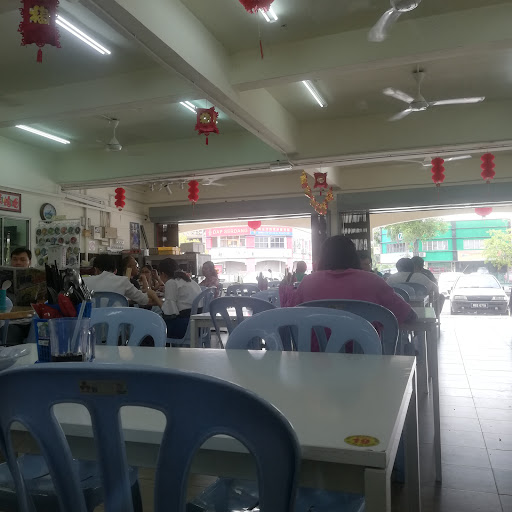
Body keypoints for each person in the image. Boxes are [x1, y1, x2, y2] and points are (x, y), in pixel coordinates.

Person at [280, 236, 417, 326]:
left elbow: (289, 317)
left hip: (315, 357)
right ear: (354, 256)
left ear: (323, 258)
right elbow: (409, 316)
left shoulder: (308, 283)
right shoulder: (373, 281)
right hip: (368, 356)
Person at [152, 258, 202, 340]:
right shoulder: (189, 280)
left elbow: (170, 313)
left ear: (163, 274)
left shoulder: (171, 282)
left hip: (185, 327)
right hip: (198, 326)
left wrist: (154, 296)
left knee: (151, 327)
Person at [83, 254, 156, 306]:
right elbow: (144, 300)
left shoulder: (84, 282)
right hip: (118, 322)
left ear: (96, 270)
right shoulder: (123, 281)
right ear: (115, 270)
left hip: (91, 322)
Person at [5, 248, 32, 345]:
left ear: (29, 262)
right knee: (10, 334)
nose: (18, 262)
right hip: (11, 322)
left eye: (22, 259)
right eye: (15, 259)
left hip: (32, 320)